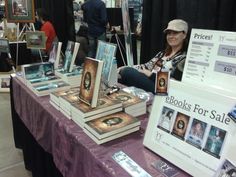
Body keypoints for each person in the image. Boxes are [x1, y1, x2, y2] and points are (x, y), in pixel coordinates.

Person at [118, 19, 189, 93]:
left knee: (127, 72)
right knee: (123, 72)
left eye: (175, 33)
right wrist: (128, 66)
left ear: (184, 35)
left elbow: (176, 84)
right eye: (169, 33)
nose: (171, 36)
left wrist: (151, 75)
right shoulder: (162, 53)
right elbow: (146, 66)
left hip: (163, 89)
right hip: (150, 82)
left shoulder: (184, 58)